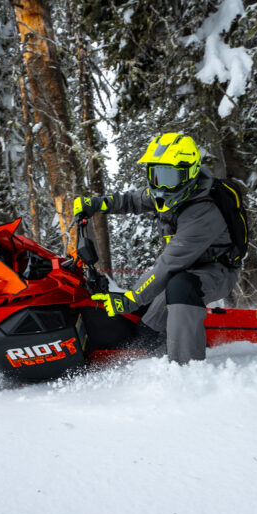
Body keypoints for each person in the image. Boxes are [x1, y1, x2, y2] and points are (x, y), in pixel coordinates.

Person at [73, 132, 241, 364]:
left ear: (189, 173)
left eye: (169, 176)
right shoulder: (173, 191)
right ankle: (171, 338)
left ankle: (187, 368)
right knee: (147, 333)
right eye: (156, 174)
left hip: (216, 272)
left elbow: (169, 264)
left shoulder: (203, 211)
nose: (161, 184)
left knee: (181, 286)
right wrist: (98, 204)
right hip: (187, 269)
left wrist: (131, 298)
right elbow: (132, 200)